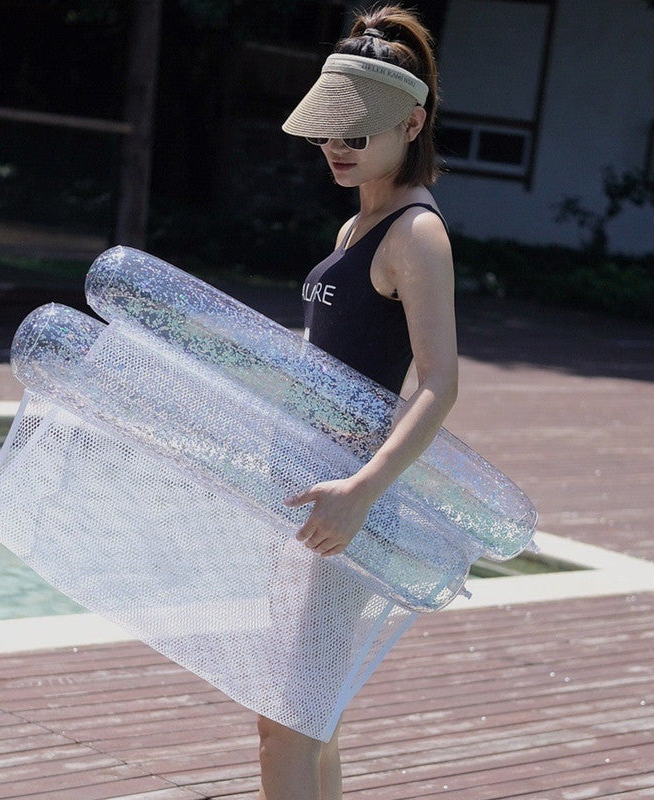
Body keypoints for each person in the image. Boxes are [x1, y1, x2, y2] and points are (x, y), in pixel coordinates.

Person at [256, 5, 458, 799]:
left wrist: (361, 493)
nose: (335, 146)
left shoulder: (415, 233)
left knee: (285, 726)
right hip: (321, 489)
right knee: (314, 721)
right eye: (327, 132)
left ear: (411, 123)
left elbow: (439, 383)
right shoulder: (356, 228)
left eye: (355, 132)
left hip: (353, 503)